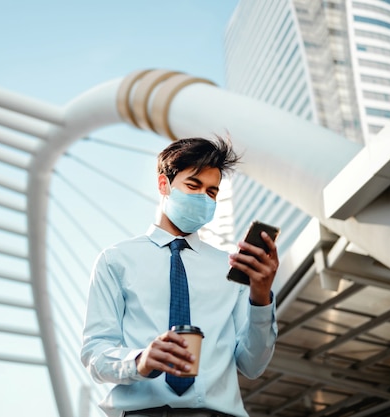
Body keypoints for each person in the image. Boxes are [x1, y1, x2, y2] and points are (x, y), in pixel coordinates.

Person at [81, 136, 279, 417]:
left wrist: (261, 298)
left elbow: (252, 365)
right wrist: (140, 360)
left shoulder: (230, 267)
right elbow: (96, 352)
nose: (203, 197)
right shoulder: (116, 261)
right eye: (193, 185)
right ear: (164, 184)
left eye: (211, 192)